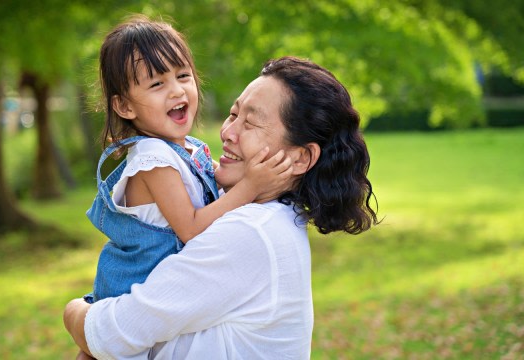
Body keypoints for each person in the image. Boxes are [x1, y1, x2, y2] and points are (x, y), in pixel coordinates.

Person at [64, 56, 380, 359]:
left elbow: (110, 334)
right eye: (232, 114)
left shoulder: (249, 234)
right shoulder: (274, 218)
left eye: (251, 123)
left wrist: (74, 310)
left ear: (299, 158)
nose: (227, 133)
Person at [74, 16, 293, 359]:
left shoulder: (187, 147)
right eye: (157, 84)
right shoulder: (153, 159)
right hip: (133, 293)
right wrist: (250, 185)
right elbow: (191, 228)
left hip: (160, 297)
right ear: (124, 106)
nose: (177, 90)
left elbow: (210, 189)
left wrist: (246, 174)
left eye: (182, 76)